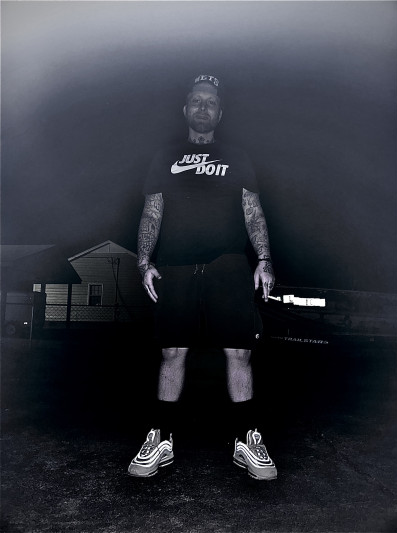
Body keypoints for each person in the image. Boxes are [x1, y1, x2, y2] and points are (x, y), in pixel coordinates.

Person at [128, 74, 277, 481]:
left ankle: (247, 439)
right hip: (175, 266)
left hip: (228, 265)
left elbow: (253, 212)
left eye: (211, 102)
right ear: (185, 109)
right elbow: (152, 212)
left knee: (239, 352)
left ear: (220, 113)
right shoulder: (165, 156)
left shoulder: (237, 157)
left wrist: (264, 259)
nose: (203, 107)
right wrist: (144, 261)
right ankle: (161, 438)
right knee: (172, 353)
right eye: (197, 100)